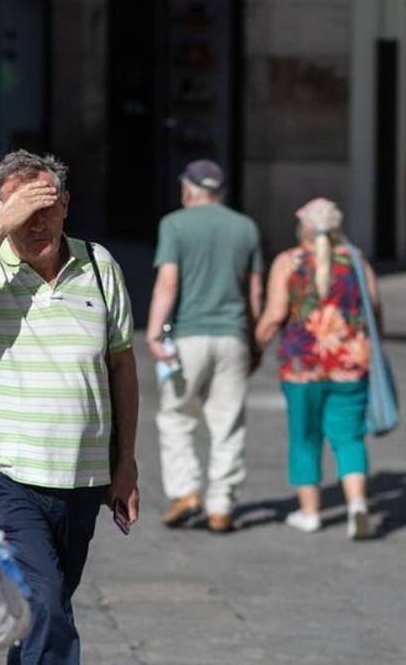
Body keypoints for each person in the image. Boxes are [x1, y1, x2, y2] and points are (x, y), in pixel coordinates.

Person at [0, 149, 139, 664]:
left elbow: (122, 368)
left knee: (43, 611)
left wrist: (125, 462)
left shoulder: (98, 264)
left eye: (45, 207)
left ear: (65, 205)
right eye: (20, 210)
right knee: (43, 606)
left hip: (80, 479)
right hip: (1, 476)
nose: (35, 223)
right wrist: (0, 229)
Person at [146, 159, 263, 534]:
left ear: (188, 189)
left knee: (177, 416)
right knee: (228, 422)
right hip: (233, 335)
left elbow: (168, 282)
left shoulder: (175, 224)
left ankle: (186, 491)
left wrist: (153, 332)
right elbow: (254, 290)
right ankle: (222, 505)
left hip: (188, 335)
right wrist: (254, 336)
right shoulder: (245, 227)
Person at [254, 197, 381, 540]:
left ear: (303, 229)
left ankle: (310, 513)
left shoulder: (289, 262)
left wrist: (255, 347)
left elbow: (274, 316)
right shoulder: (356, 260)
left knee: (304, 437)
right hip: (350, 365)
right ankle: (357, 504)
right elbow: (375, 311)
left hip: (301, 367)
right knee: (349, 437)